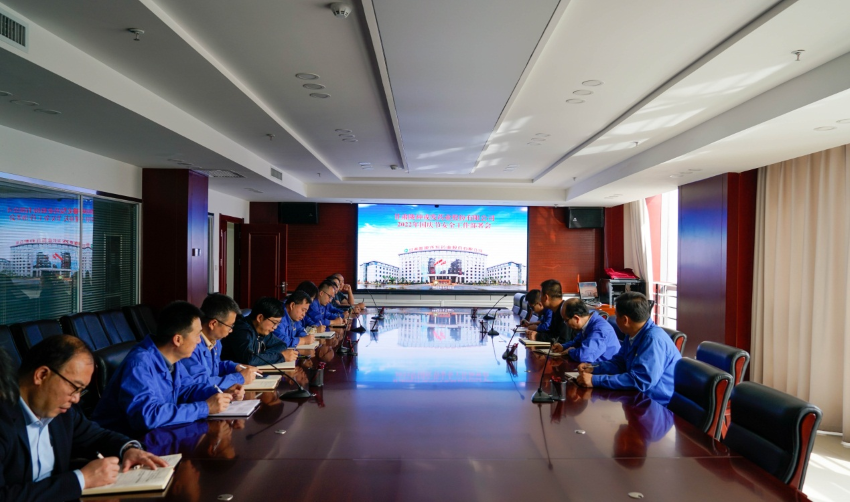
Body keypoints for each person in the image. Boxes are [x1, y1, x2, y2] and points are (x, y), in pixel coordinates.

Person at [1, 335, 167, 502]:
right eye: (75, 387)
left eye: (82, 391)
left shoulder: (62, 413)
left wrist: (128, 449)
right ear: (42, 375)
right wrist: (81, 479)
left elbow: (98, 436)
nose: (76, 399)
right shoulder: (4, 420)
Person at [93, 302, 238, 436]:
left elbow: (187, 389)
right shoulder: (139, 364)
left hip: (158, 436)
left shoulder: (173, 359)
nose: (199, 341)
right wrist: (205, 407)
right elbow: (147, 416)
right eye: (197, 335)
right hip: (123, 444)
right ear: (178, 340)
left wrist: (220, 393)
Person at [575, 292, 681, 404]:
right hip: (637, 396)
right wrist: (593, 368)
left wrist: (595, 380)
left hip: (656, 403)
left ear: (625, 320)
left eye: (616, 316)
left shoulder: (653, 340)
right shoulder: (632, 334)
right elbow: (620, 363)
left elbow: (640, 381)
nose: (615, 319)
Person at [180, 293, 260, 389]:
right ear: (213, 324)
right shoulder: (191, 346)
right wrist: (239, 378)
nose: (231, 330)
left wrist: (235, 367)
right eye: (230, 326)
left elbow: (215, 367)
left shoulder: (216, 340)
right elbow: (200, 383)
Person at [221, 296, 296, 365]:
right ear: (260, 318)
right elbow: (250, 360)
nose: (275, 327)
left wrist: (263, 356)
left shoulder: (262, 330)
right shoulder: (242, 331)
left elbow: (281, 345)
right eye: (274, 323)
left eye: (278, 324)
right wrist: (280, 357)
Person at [552, 299, 620, 363]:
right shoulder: (588, 323)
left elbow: (584, 356)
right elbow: (577, 342)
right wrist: (563, 347)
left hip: (605, 369)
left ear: (576, 318)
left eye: (566, 320)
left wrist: (570, 351)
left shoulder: (599, 329)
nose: (565, 324)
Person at [532, 279, 569, 344]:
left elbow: (562, 340)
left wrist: (537, 336)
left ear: (546, 297)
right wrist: (536, 334)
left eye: (541, 295)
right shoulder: (555, 310)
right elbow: (552, 334)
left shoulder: (565, 311)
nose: (540, 299)